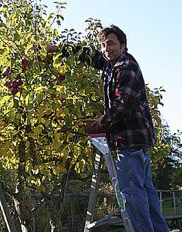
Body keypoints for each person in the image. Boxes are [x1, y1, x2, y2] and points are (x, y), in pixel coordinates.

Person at [48, 25, 168, 231]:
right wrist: (59, 49)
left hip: (130, 143)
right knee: (146, 193)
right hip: (136, 142)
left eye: (111, 43)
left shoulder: (127, 67)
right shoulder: (111, 64)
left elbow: (122, 107)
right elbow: (89, 55)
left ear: (123, 45)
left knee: (132, 194)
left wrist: (98, 123)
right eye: (103, 45)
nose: (106, 49)